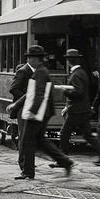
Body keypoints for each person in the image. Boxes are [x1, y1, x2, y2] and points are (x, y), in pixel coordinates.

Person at [14, 45, 73, 179]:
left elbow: (38, 94)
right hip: (43, 111)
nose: (29, 60)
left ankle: (28, 171)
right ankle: (65, 162)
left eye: (30, 57)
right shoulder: (42, 70)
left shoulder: (40, 72)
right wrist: (17, 105)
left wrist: (31, 111)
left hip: (39, 112)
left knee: (28, 140)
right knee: (40, 141)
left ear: (36, 59)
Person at [59, 49, 100, 168]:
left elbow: (78, 92)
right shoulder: (81, 72)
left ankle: (63, 160)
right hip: (83, 110)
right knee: (89, 136)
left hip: (76, 111)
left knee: (64, 133)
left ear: (68, 61)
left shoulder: (76, 74)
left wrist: (66, 92)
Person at [6, 61, 35, 169]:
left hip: (32, 108)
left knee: (30, 137)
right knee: (24, 136)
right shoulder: (23, 71)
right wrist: (25, 99)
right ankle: (23, 164)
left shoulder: (37, 72)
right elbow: (13, 89)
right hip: (23, 108)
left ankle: (28, 165)